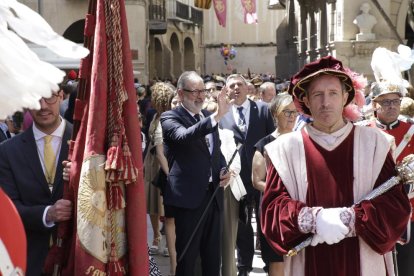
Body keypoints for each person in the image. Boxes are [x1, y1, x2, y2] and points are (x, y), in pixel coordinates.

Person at [260, 56, 411, 276]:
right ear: (306, 101)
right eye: (317, 95)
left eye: (333, 93)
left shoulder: (376, 143)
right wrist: (314, 220)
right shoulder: (284, 149)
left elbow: (394, 207)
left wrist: (351, 220)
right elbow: (273, 211)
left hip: (364, 261)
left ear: (346, 97)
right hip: (308, 263)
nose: (325, 103)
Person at [160, 71, 231, 276]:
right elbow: (184, 137)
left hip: (213, 196)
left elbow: (214, 152)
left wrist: (223, 170)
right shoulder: (170, 117)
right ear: (181, 94)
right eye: (195, 92)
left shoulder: (208, 117)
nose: (201, 96)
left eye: (203, 91)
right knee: (188, 259)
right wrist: (217, 116)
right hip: (188, 199)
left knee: (212, 258)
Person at [0, 89, 73, 275]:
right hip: (27, 262)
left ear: (61, 96)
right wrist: (47, 214)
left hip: (75, 260)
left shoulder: (84, 142)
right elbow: (8, 210)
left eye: (48, 97)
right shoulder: (8, 152)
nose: (42, 106)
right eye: (35, 98)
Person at [219, 74, 275, 276]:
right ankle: (243, 267)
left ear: (247, 88)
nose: (236, 88)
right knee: (242, 225)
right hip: (236, 180)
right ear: (226, 90)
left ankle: (270, 265)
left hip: (260, 178)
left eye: (239, 85)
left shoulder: (262, 109)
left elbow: (272, 139)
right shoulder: (222, 114)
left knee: (264, 222)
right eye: (231, 85)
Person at [367, 81, 414, 276]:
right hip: (375, 211)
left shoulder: (411, 131)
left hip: (409, 209)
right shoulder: (363, 131)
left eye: (396, 101)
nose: (392, 106)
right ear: (374, 104)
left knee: (407, 267)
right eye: (385, 102)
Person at [252, 93, 297, 275]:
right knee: (277, 259)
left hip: (299, 209)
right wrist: (282, 193)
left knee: (299, 258)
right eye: (287, 112)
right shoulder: (264, 145)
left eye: (294, 112)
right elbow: (256, 182)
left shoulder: (303, 141)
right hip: (274, 210)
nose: (292, 117)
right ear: (275, 115)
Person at [204, 100, 246, 276]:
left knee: (228, 240)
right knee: (207, 241)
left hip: (227, 190)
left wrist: (229, 174)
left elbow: (236, 162)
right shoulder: (199, 135)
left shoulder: (227, 134)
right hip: (203, 191)